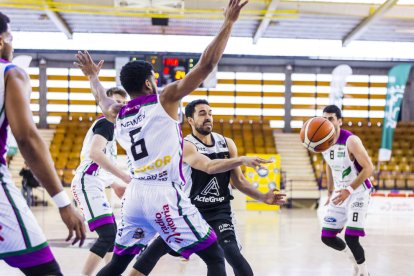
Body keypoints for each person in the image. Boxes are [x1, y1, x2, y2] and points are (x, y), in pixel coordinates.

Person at [75, 1, 250, 275]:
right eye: (154, 78)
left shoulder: (117, 112)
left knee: (119, 261)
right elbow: (207, 65)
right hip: (163, 193)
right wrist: (228, 22)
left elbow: (101, 96)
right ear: (148, 83)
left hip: (135, 195)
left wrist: (92, 77)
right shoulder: (165, 100)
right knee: (215, 257)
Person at [132, 99, 286, 276]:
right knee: (152, 252)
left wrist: (263, 197)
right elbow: (209, 166)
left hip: (220, 212)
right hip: (189, 212)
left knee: (231, 254)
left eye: (210, 113)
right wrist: (242, 159)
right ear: (190, 120)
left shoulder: (227, 143)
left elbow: (239, 181)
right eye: (202, 113)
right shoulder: (185, 145)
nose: (208, 117)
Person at [0, 12, 85, 275]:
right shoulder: (10, 73)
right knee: (45, 269)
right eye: (11, 36)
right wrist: (63, 203)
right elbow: (27, 140)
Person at [71, 87, 130, 276]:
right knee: (107, 236)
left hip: (95, 182)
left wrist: (114, 184)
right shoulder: (106, 122)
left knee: (112, 237)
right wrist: (123, 176)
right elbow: (94, 154)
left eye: (123, 102)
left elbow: (102, 163)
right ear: (106, 104)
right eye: (115, 101)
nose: (119, 105)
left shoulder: (113, 128)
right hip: (86, 182)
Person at [321, 105, 374, 276]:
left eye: (331, 119)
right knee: (327, 236)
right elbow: (329, 166)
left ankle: (364, 272)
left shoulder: (351, 141)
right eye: (324, 119)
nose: (327, 122)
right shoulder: (323, 141)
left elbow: (369, 168)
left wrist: (349, 190)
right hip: (340, 192)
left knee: (351, 237)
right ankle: (353, 259)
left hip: (358, 192)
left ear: (339, 121)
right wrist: (330, 192)